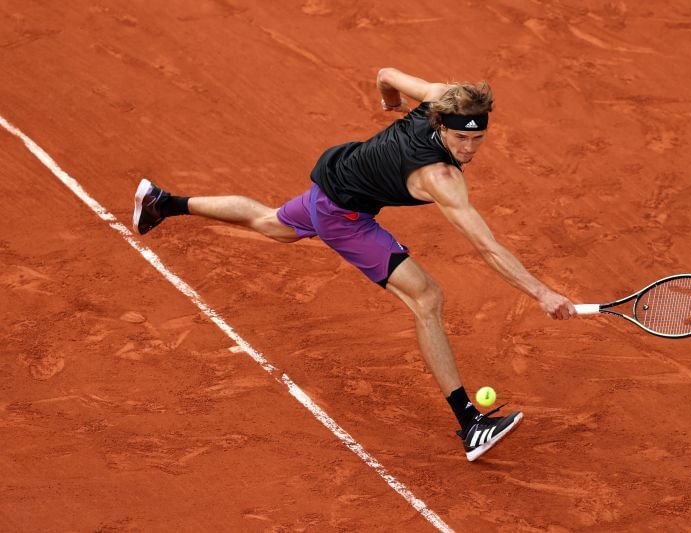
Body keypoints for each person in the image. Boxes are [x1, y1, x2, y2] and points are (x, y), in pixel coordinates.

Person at [132, 68, 576, 461]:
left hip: (338, 174)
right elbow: (488, 248)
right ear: (440, 124)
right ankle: (469, 424)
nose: (470, 148)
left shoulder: (437, 96)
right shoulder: (441, 177)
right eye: (461, 138)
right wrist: (540, 292)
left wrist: (389, 105)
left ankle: (164, 203)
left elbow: (385, 73)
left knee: (272, 225)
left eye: (479, 138)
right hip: (344, 214)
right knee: (427, 297)